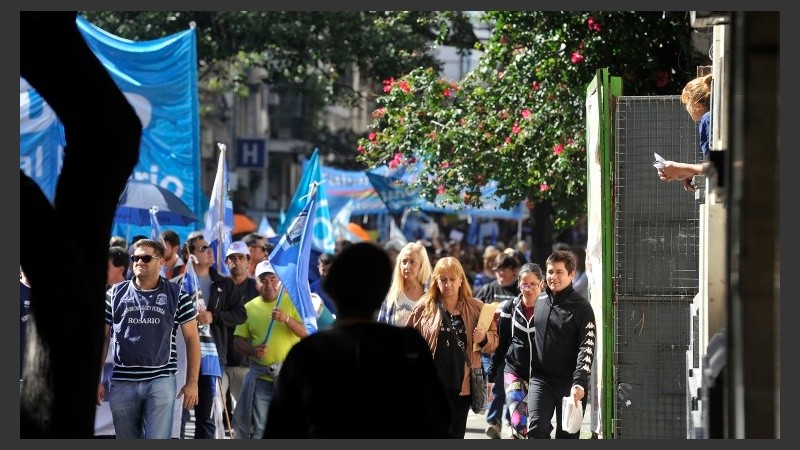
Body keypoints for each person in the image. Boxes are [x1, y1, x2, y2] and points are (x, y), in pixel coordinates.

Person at [263, 242, 452, 438]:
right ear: (382, 293)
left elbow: (279, 428)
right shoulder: (409, 346)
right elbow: (438, 420)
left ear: (330, 290)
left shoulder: (307, 353)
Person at [96, 238, 200, 439]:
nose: (139, 262)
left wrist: (192, 382)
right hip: (123, 382)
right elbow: (103, 338)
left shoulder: (177, 294)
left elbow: (192, 339)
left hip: (160, 381)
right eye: (135, 257)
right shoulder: (114, 294)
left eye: (145, 258)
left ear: (161, 262)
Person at [405, 256, 499, 438]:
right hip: (431, 385)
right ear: (436, 282)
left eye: (452, 279)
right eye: (443, 279)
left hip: (461, 386)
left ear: (461, 280)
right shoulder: (424, 308)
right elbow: (408, 341)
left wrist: (484, 337)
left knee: (455, 434)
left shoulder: (476, 308)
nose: (448, 284)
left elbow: (493, 344)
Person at [231, 259, 309, 439]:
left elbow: (307, 333)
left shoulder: (292, 302)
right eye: (263, 280)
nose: (269, 284)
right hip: (262, 379)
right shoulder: (249, 307)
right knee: (261, 428)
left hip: (290, 378)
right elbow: (238, 341)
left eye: (272, 279)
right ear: (256, 283)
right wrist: (252, 350)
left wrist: (286, 319)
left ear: (279, 280)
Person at [527, 250, 596, 439]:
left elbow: (586, 346)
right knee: (536, 429)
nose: (553, 277)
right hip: (541, 380)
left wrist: (580, 383)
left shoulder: (582, 308)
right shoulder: (540, 300)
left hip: (570, 384)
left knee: (567, 435)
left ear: (572, 274)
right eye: (550, 272)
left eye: (559, 272)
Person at [487, 262, 545, 439]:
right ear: (519, 284)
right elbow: (502, 343)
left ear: (541, 284)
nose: (529, 289)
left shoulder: (550, 308)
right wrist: (491, 374)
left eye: (533, 284)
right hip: (515, 372)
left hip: (541, 375)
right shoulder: (510, 308)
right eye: (524, 284)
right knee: (519, 422)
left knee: (538, 426)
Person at [474, 252, 521, 438]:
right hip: (489, 349)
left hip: (513, 348)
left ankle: (508, 421)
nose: (500, 273)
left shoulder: (519, 291)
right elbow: (474, 314)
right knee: (494, 383)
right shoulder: (486, 290)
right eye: (497, 270)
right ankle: (495, 421)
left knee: (510, 384)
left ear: (514, 271)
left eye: (504, 269)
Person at [657, 74, 714, 192]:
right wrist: (688, 173)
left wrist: (679, 168)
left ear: (697, 105)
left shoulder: (707, 119)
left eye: (687, 104)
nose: (687, 109)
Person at [377, 242, 431, 326]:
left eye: (412, 262)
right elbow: (381, 327)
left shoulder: (431, 294)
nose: (407, 266)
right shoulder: (392, 294)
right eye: (404, 262)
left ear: (421, 265)